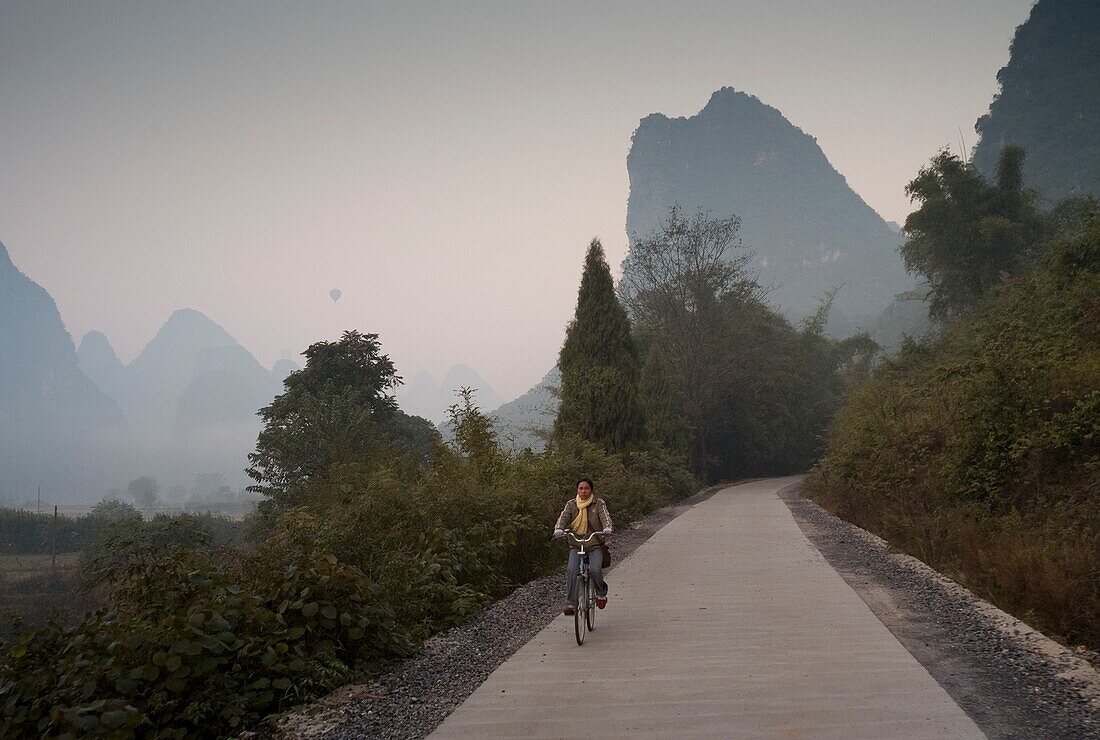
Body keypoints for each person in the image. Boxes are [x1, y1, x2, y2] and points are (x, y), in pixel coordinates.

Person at [553, 477, 613, 615]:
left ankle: (601, 592)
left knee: (595, 569)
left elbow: (605, 517)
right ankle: (570, 603)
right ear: (577, 490)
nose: (583, 491)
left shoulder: (598, 504)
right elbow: (563, 518)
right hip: (576, 544)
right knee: (571, 570)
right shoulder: (571, 504)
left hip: (594, 544)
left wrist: (607, 528)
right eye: (581, 488)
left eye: (586, 488)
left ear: (591, 490)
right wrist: (559, 529)